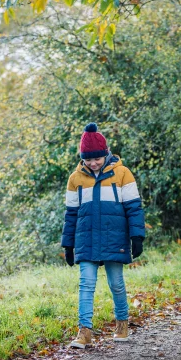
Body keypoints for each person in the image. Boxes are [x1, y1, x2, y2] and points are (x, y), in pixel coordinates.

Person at [61, 123, 145, 347]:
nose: (93, 163)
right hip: (86, 239)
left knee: (116, 283)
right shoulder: (75, 179)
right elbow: (71, 214)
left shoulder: (123, 174)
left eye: (97, 158)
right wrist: (68, 245)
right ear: (83, 158)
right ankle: (84, 331)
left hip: (114, 237)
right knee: (85, 284)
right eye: (88, 159)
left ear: (105, 153)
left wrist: (137, 236)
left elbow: (134, 208)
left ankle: (122, 324)